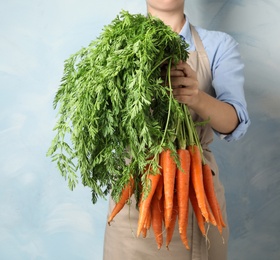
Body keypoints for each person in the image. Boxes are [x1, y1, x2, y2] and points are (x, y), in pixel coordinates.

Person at [103, 0, 250, 259]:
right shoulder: (117, 46)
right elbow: (104, 125)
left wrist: (196, 97)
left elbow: (234, 123)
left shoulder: (218, 45)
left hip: (196, 190)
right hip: (135, 192)